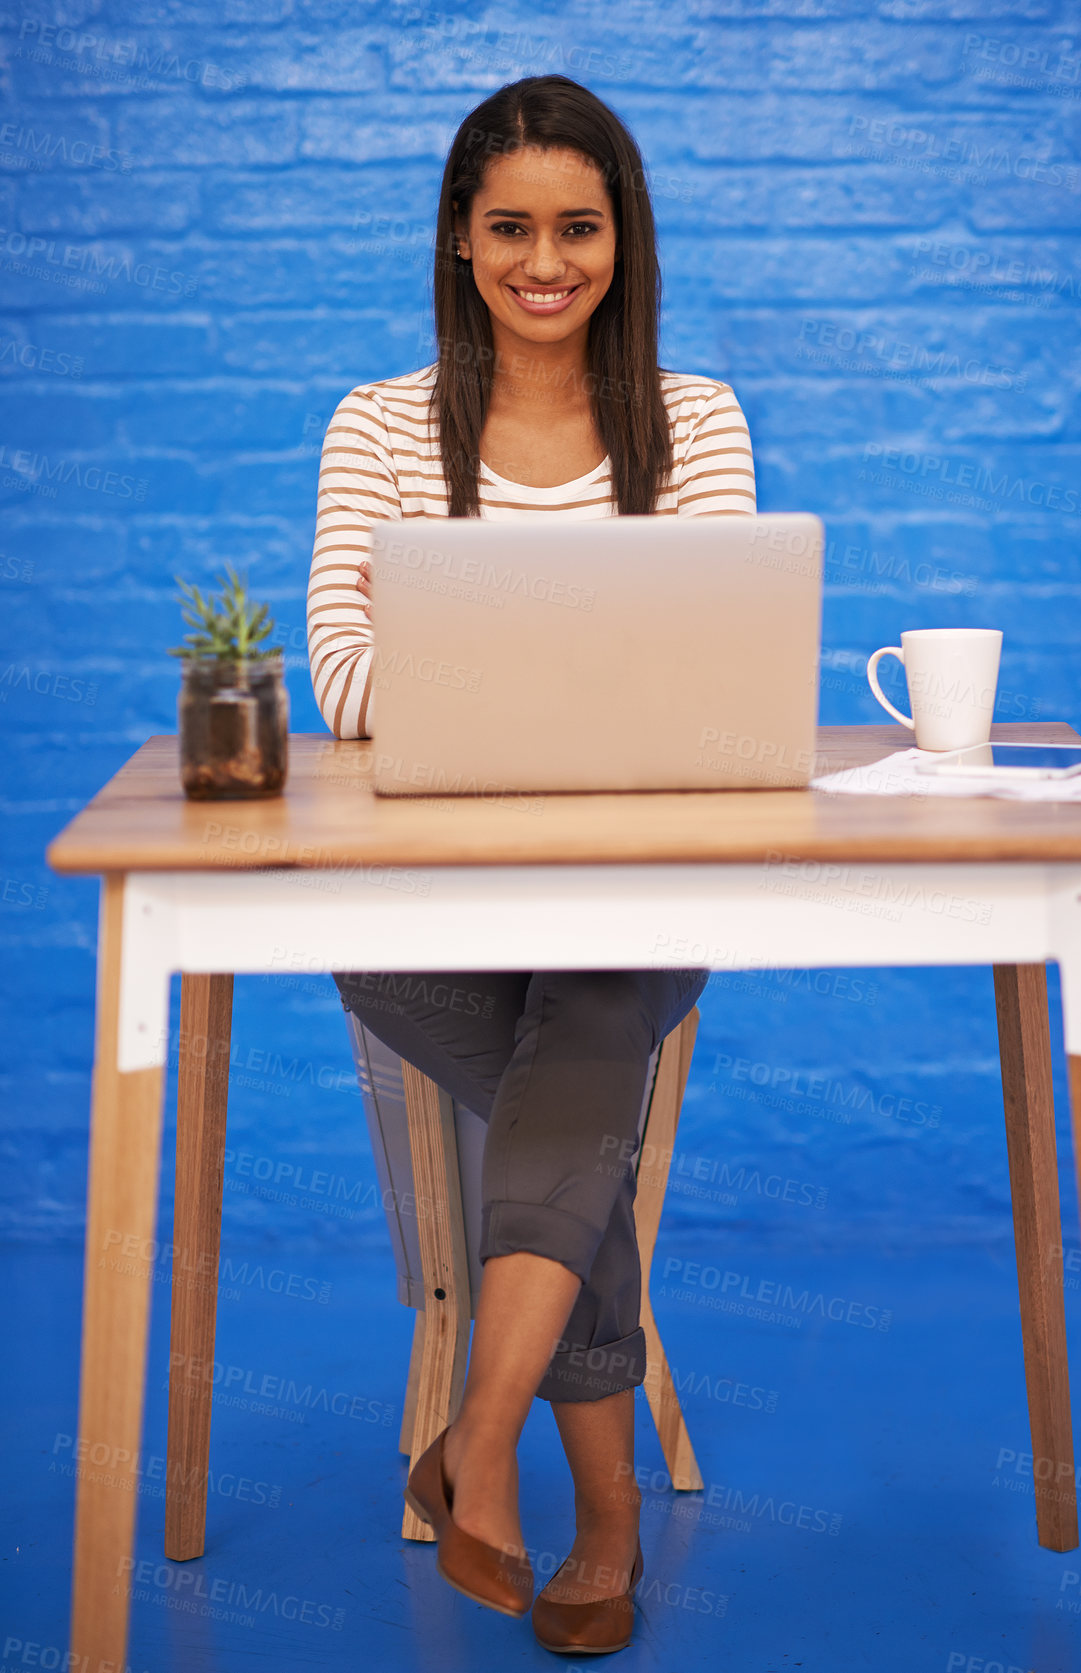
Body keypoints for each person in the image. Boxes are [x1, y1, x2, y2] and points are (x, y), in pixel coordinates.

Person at [305, 72, 756, 1656]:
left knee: (588, 1004)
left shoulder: (692, 423)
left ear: (621, 240)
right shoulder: (376, 423)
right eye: (509, 227)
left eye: (577, 225)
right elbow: (344, 682)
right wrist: (587, 692)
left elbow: (718, 680)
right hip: (418, 910)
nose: (542, 259)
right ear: (459, 239)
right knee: (584, 1090)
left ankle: (480, 1445)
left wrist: (492, 680)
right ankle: (588, 1501)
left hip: (632, 901)